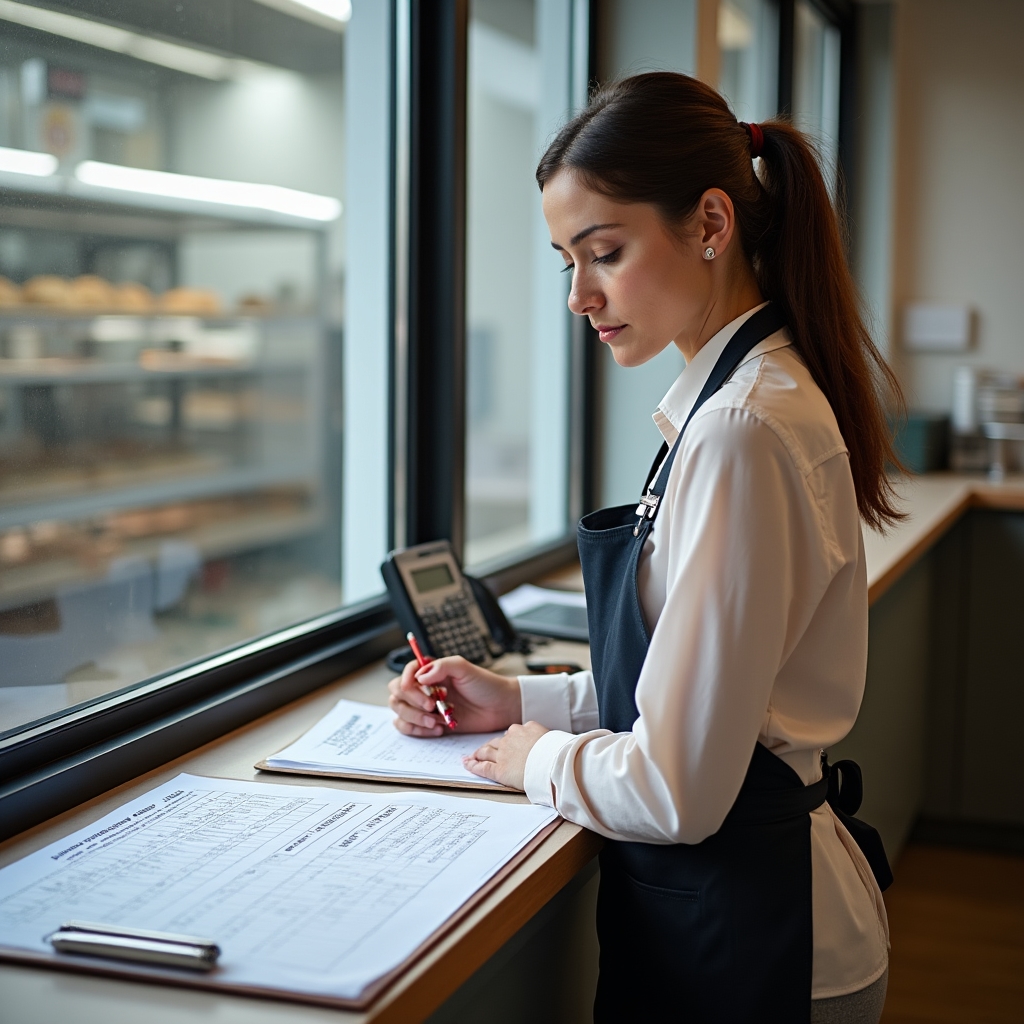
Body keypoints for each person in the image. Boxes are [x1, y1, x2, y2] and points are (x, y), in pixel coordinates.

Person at [389, 72, 901, 1023]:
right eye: (565, 261)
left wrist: (529, 753)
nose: (580, 295)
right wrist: (519, 697)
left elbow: (677, 788)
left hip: (761, 945)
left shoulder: (742, 429)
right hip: (738, 917)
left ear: (712, 224)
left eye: (605, 253)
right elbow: (704, 693)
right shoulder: (730, 402)